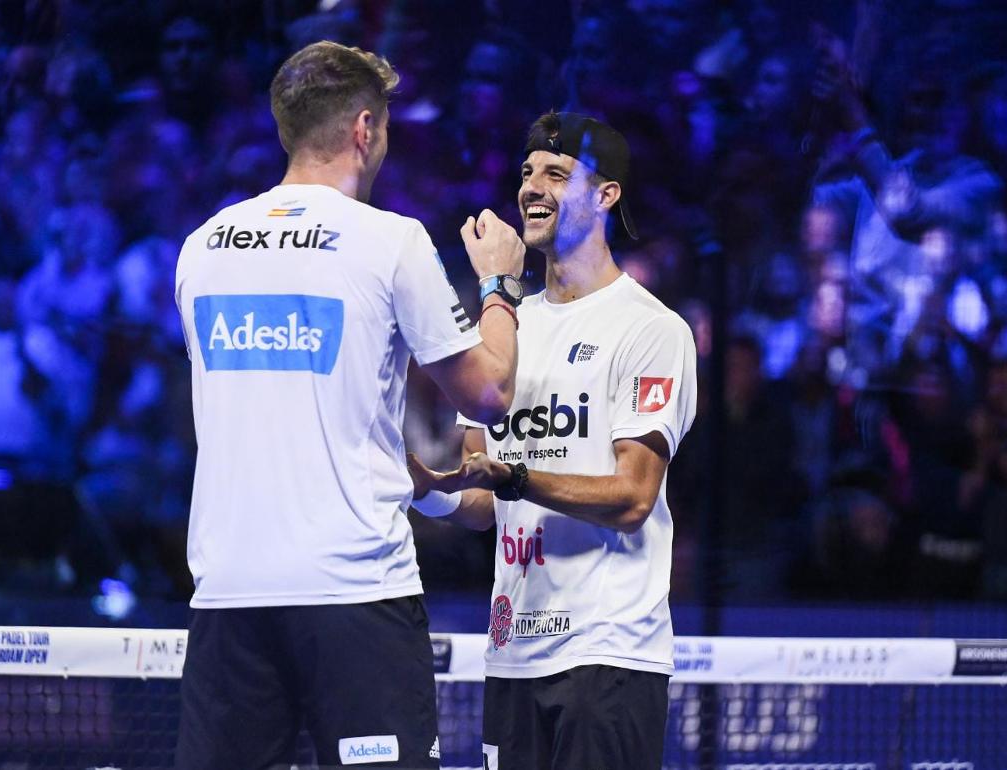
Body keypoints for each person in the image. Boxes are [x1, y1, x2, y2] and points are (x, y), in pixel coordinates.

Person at [172, 41, 525, 770]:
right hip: (354, 594)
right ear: (365, 128)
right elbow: (490, 394)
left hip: (229, 595)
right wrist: (499, 284)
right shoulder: (388, 241)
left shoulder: (201, 248)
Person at [409, 112, 697, 770]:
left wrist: (512, 477)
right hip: (513, 652)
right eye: (527, 172)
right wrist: (427, 492)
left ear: (607, 195)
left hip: (608, 655)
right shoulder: (503, 329)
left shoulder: (651, 330)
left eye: (557, 175)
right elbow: (484, 499)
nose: (532, 187)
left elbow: (631, 496)